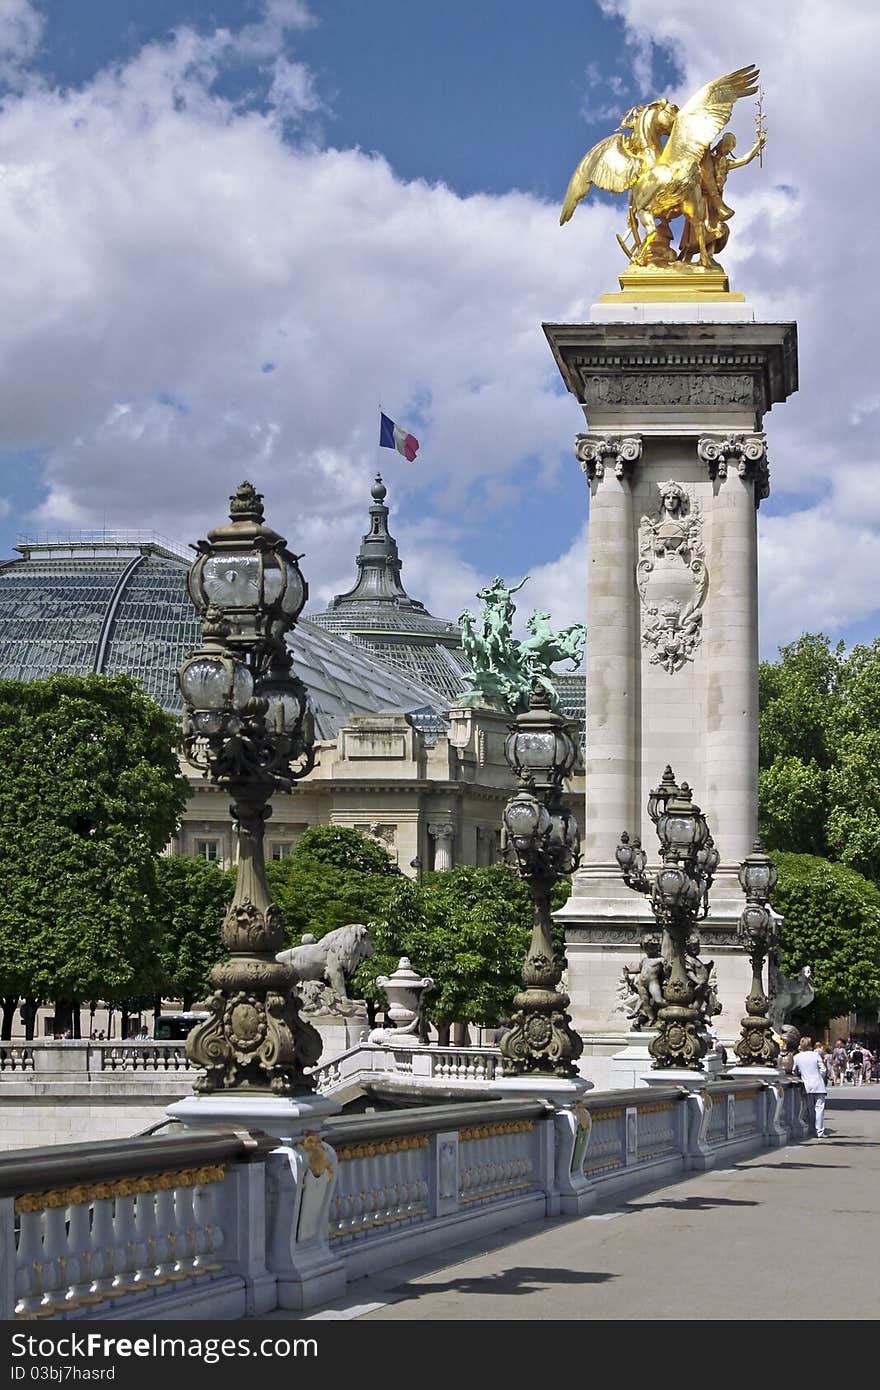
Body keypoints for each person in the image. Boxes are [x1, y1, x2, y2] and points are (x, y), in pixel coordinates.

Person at [792, 1035, 827, 1137]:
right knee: (820, 1109)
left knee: (810, 1109)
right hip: (818, 1085)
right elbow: (823, 1069)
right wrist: (820, 1077)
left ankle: (811, 1130)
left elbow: (794, 1071)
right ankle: (820, 1131)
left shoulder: (797, 1057)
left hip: (806, 1085)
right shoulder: (815, 1055)